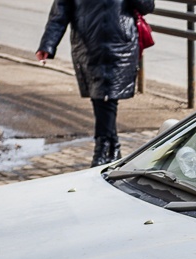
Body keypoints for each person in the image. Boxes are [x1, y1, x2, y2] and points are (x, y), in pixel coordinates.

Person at [36, 0, 156, 167]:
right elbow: (60, 12)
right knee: (101, 96)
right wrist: (48, 44)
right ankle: (111, 146)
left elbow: (147, 7)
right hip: (89, 45)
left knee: (107, 97)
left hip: (120, 44)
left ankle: (103, 148)